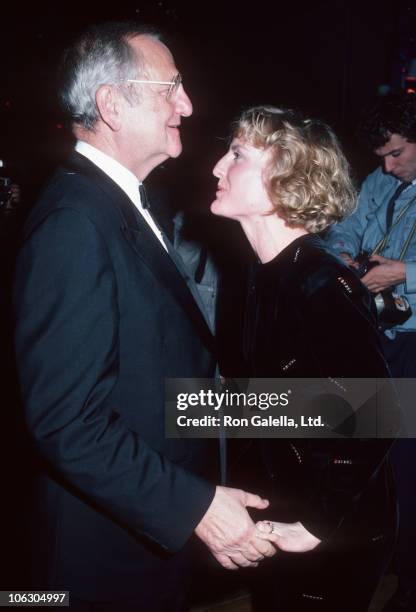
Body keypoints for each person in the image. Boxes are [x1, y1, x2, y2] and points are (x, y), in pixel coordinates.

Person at [12, 23, 275, 612]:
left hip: (140, 534)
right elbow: (66, 423)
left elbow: (158, 380)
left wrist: (350, 414)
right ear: (111, 104)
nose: (187, 104)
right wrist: (197, 508)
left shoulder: (121, 203)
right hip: (100, 557)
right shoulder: (74, 223)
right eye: (170, 88)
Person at [211, 106, 399, 611]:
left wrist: (319, 522)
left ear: (286, 175)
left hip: (334, 530)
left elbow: (377, 413)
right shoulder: (266, 276)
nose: (216, 168)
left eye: (236, 155)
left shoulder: (319, 283)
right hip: (291, 512)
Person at [326, 92, 416, 612]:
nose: (388, 166)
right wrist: (344, 261)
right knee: (375, 455)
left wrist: (403, 273)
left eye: (398, 153)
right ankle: (384, 560)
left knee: (409, 462)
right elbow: (345, 230)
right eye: (381, 156)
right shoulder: (381, 180)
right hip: (380, 337)